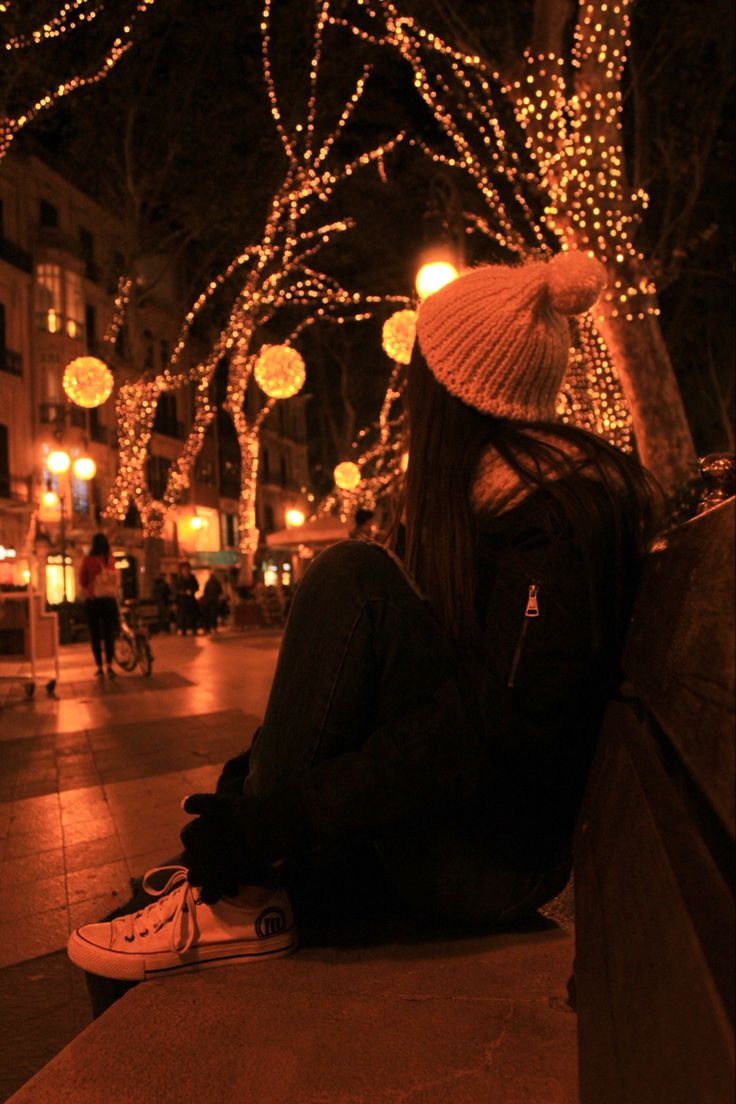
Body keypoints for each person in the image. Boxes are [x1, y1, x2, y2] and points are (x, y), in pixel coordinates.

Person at [67, 252, 659, 983]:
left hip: (494, 866)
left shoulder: (555, 521)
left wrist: (271, 823)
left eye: (420, 371)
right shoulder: (496, 502)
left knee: (352, 575)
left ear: (454, 391)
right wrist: (251, 787)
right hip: (471, 832)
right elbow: (407, 690)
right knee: (358, 581)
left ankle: (244, 899)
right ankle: (235, 881)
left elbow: (485, 728)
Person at [79, 533, 120, 680]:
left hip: (93, 601)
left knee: (95, 635)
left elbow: (82, 581)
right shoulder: (111, 560)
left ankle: (99, 667)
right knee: (109, 634)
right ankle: (109, 665)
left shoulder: (89, 560)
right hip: (109, 601)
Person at [174, 561, 199, 635]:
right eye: (184, 569)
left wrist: (191, 591)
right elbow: (176, 589)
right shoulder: (179, 579)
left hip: (191, 599)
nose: (185, 570)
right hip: (182, 600)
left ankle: (193, 629)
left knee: (192, 615)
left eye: (186, 568)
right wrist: (181, 592)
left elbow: (196, 587)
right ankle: (183, 630)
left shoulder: (192, 578)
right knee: (182, 615)